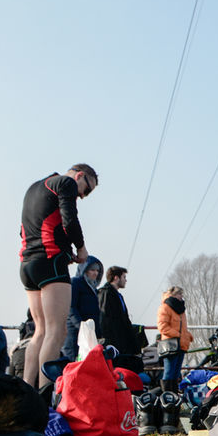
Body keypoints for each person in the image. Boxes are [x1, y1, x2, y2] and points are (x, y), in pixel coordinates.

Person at [19, 164, 98, 388]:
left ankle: (26, 387)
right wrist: (81, 248)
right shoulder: (66, 183)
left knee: (40, 331)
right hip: (50, 261)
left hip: (27, 262)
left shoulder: (35, 187)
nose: (82, 195)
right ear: (80, 175)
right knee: (57, 330)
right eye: (86, 189)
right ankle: (46, 391)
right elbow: (69, 220)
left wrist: (66, 250)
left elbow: (33, 226)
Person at [62, 254, 103, 361]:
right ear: (85, 270)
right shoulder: (75, 283)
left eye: (97, 270)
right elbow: (71, 307)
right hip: (75, 332)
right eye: (92, 270)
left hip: (89, 331)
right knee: (72, 360)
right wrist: (80, 326)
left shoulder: (93, 288)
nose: (95, 273)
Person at [97, 266, 140, 360]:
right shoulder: (106, 293)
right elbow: (105, 318)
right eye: (124, 277)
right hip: (114, 340)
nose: (126, 280)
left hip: (121, 339)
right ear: (116, 278)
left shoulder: (117, 295)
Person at [156, 286, 193, 392]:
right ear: (174, 295)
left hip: (180, 344)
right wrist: (178, 334)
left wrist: (186, 335)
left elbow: (181, 327)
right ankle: (167, 394)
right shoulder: (165, 307)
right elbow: (162, 326)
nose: (181, 297)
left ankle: (174, 394)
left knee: (176, 372)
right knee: (169, 372)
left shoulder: (181, 309)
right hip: (170, 345)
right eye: (179, 294)